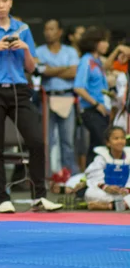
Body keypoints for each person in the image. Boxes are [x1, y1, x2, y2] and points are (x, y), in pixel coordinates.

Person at [0, 0, 62, 214]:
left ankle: (39, 197)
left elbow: (31, 68)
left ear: (11, 2)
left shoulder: (23, 29)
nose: (1, 6)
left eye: (5, 1)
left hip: (19, 89)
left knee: (36, 141)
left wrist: (24, 49)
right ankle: (3, 198)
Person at [36, 19, 79, 173]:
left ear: (60, 32)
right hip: (47, 98)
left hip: (66, 96)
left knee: (67, 141)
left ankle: (70, 176)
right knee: (47, 140)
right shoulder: (39, 51)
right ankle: (46, 176)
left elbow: (74, 72)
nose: (48, 32)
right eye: (46, 29)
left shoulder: (70, 51)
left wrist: (50, 70)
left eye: (52, 29)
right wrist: (64, 69)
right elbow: (41, 71)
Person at [74, 27, 112, 166]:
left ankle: (90, 178)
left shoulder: (97, 61)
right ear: (94, 43)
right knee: (103, 142)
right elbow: (78, 87)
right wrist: (96, 103)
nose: (107, 44)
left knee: (95, 146)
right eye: (103, 41)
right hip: (91, 109)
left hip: (102, 109)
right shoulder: (86, 60)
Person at [84, 126, 130, 210]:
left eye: (122, 138)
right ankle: (121, 205)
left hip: (125, 193)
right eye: (116, 138)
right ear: (108, 142)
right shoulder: (101, 158)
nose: (120, 141)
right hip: (107, 192)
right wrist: (106, 187)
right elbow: (94, 177)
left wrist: (127, 189)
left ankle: (109, 206)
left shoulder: (129, 157)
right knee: (90, 193)